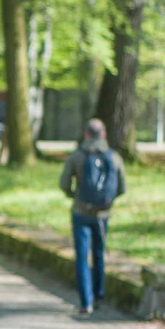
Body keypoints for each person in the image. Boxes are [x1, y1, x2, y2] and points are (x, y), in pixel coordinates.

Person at [59, 118, 126, 317]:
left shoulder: (77, 156)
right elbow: (122, 188)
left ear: (86, 134)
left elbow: (63, 184)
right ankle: (99, 296)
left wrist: (76, 197)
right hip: (102, 215)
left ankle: (85, 302)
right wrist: (106, 201)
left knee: (81, 256)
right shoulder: (113, 157)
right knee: (98, 254)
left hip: (81, 213)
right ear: (103, 134)